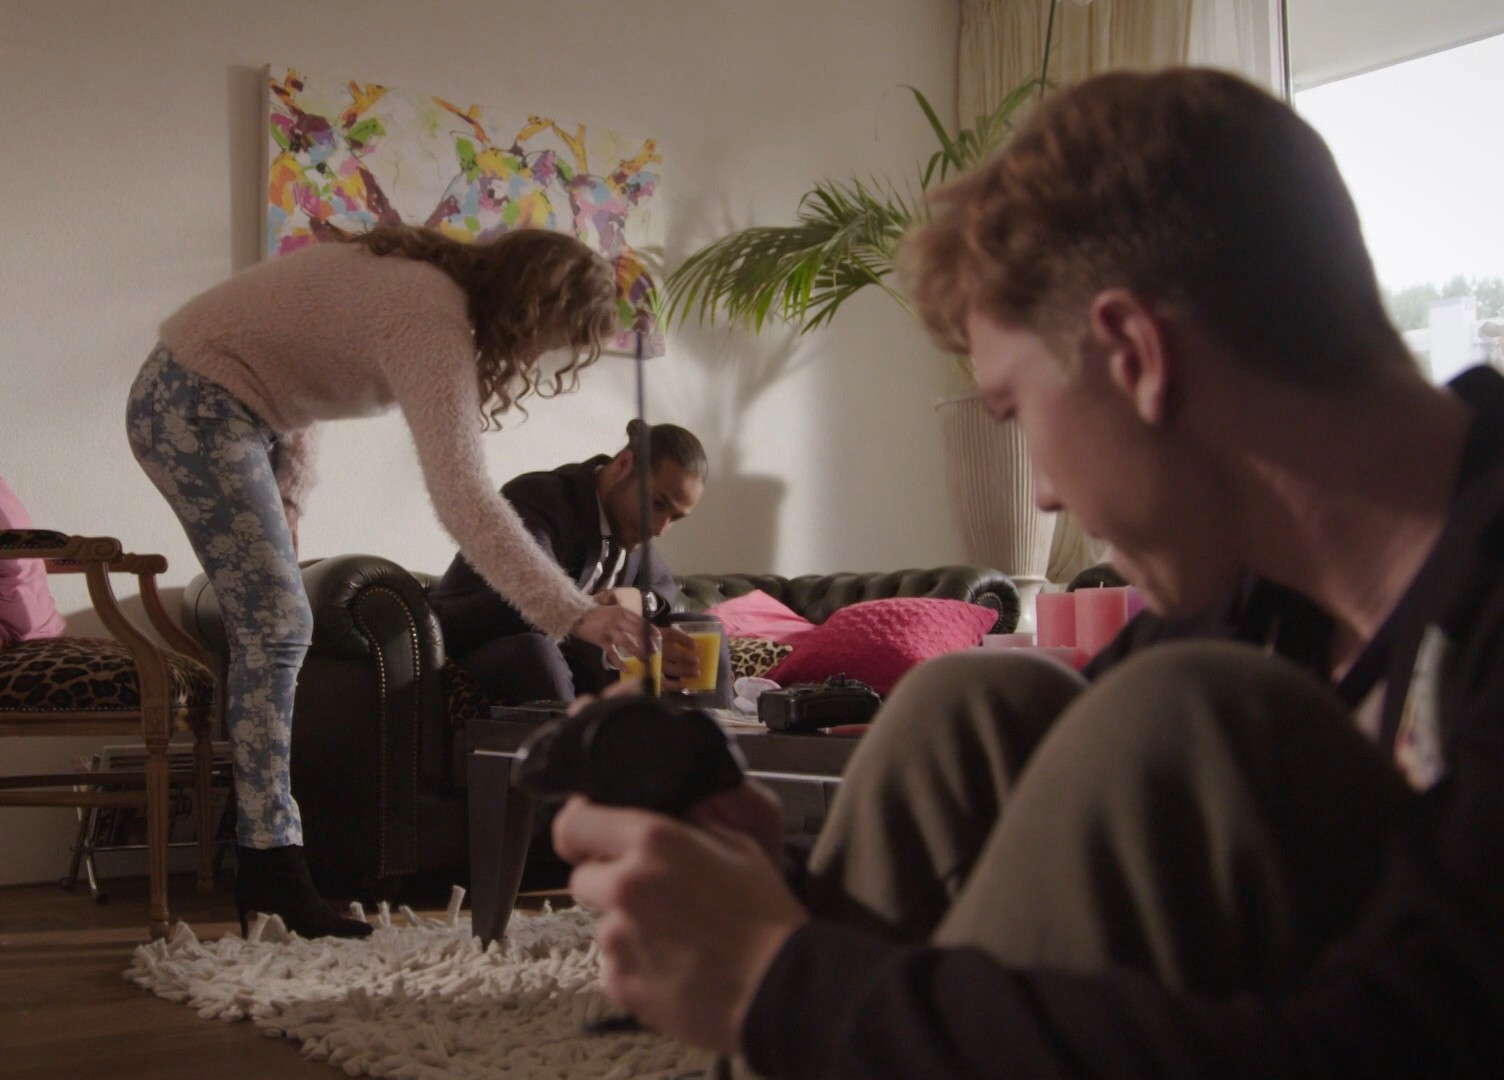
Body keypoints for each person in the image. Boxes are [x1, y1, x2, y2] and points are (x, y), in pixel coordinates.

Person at [551, 67, 1504, 1076]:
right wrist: (772, 881)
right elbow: (1029, 856)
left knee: (1175, 708)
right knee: (973, 708)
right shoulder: (1245, 595)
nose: (1044, 494)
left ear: (1134, 354)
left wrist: (774, 982)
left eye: (1017, 413)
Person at [129, 226, 649, 938]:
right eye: (549, 336)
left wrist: (289, 504)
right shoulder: (427, 311)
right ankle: (270, 865)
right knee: (278, 629)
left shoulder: (419, 291)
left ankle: (270, 862)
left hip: (228, 407)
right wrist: (574, 612)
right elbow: (465, 497)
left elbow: (299, 386)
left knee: (277, 624)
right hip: (191, 399)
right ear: (530, 306)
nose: (535, 355)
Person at [430, 420, 718, 705]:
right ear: (624, 464)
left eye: (675, 517)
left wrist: (640, 600)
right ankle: (574, 737)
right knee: (537, 652)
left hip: (571, 662)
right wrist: (610, 636)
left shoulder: (632, 525)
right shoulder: (537, 498)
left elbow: (665, 586)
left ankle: (716, 734)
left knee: (699, 632)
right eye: (657, 503)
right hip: (485, 648)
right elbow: (532, 601)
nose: (659, 528)